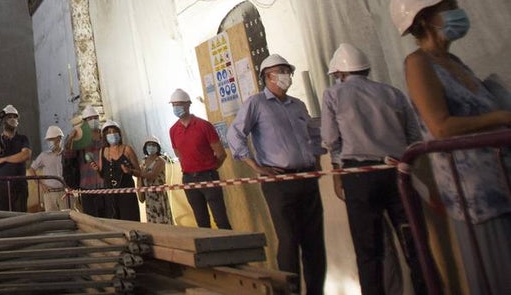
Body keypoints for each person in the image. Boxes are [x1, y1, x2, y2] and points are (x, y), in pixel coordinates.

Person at [392, 0, 511, 294]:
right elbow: (440, 126)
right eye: (449, 8)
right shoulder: (418, 64)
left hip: (502, 184)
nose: (458, 13)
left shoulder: (455, 63)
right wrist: (501, 118)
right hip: (477, 198)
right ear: (424, 19)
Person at [320, 42, 431, 295]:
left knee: (369, 249)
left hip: (359, 177)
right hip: (399, 173)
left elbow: (330, 139)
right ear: (366, 69)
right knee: (414, 244)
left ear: (339, 74)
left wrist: (338, 174)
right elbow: (414, 135)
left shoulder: (333, 95)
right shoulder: (393, 93)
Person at [227, 53, 326, 294]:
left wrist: (316, 159)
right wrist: (255, 166)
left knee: (314, 242)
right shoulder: (256, 103)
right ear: (267, 76)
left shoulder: (298, 105)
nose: (285, 76)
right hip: (279, 182)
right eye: (280, 71)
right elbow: (235, 135)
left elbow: (314, 135)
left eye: (287, 71)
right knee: (290, 240)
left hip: (306, 178)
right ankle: (289, 291)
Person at [168, 88, 231, 229]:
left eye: (179, 104)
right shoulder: (173, 130)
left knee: (220, 219)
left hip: (208, 176)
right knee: (201, 222)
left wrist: (210, 168)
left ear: (188, 104)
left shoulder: (204, 126)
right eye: (173, 105)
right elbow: (179, 154)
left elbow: (221, 154)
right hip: (188, 179)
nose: (176, 108)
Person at [0, 104, 32, 212]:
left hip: (19, 187)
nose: (12, 119)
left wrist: (3, 159)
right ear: (3, 120)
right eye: (9, 117)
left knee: (20, 219)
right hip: (0, 187)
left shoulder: (22, 139)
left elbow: (25, 155)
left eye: (15, 117)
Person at [64, 105, 104, 216]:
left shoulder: (105, 135)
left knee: (108, 218)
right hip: (87, 184)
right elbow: (68, 155)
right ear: (85, 122)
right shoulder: (79, 139)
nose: (93, 121)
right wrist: (71, 138)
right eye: (90, 119)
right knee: (91, 218)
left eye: (95, 117)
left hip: (105, 184)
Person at [96, 120, 140, 221]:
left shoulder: (127, 149)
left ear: (119, 134)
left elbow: (139, 172)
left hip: (126, 194)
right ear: (105, 136)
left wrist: (130, 171)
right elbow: (103, 175)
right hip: (110, 195)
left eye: (114, 132)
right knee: (114, 222)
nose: (112, 135)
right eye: (109, 133)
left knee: (130, 220)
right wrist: (97, 170)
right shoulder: (102, 151)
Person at [30, 125, 67, 212]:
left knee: (67, 218)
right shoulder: (44, 156)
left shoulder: (67, 154)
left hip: (65, 192)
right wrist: (41, 184)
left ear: (59, 139)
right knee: (51, 220)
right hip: (49, 193)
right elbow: (32, 169)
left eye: (51, 139)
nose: (49, 142)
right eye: (48, 140)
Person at [139, 135, 173, 225]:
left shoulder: (160, 161)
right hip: (148, 195)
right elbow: (141, 177)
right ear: (145, 147)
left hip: (159, 195)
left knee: (161, 217)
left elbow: (152, 175)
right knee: (151, 219)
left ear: (158, 148)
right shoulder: (143, 161)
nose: (151, 147)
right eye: (149, 145)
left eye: (154, 145)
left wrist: (136, 172)